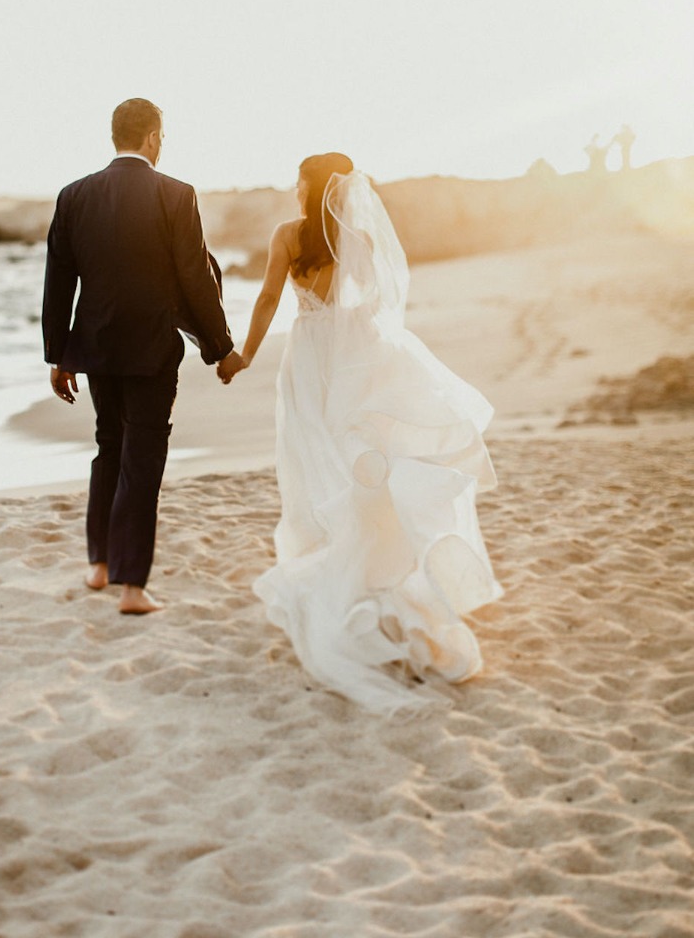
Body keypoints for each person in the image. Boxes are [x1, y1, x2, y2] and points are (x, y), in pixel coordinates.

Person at [223, 153, 503, 716]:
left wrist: (243, 355)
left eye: (299, 177)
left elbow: (268, 299)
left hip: (305, 362)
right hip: (353, 361)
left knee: (314, 466)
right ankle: (372, 578)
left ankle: (337, 574)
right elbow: (375, 306)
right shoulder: (359, 238)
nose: (294, 185)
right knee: (355, 466)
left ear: (312, 185)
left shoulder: (285, 236)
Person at [42, 98, 244, 614]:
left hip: (97, 347)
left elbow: (59, 283)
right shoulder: (176, 195)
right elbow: (196, 277)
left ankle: (100, 565)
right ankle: (132, 587)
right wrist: (219, 348)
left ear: (116, 136)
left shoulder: (73, 195)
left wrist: (58, 355)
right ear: (153, 137)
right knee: (144, 458)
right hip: (152, 349)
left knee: (109, 445)